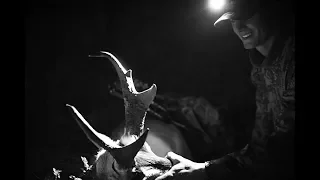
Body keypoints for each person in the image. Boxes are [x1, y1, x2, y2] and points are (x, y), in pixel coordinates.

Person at [155, 0, 295, 179]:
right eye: (232, 20)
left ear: (267, 10)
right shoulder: (261, 68)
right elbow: (260, 143)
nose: (239, 27)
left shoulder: (291, 62)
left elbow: (282, 150)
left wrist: (206, 170)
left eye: (245, 16)